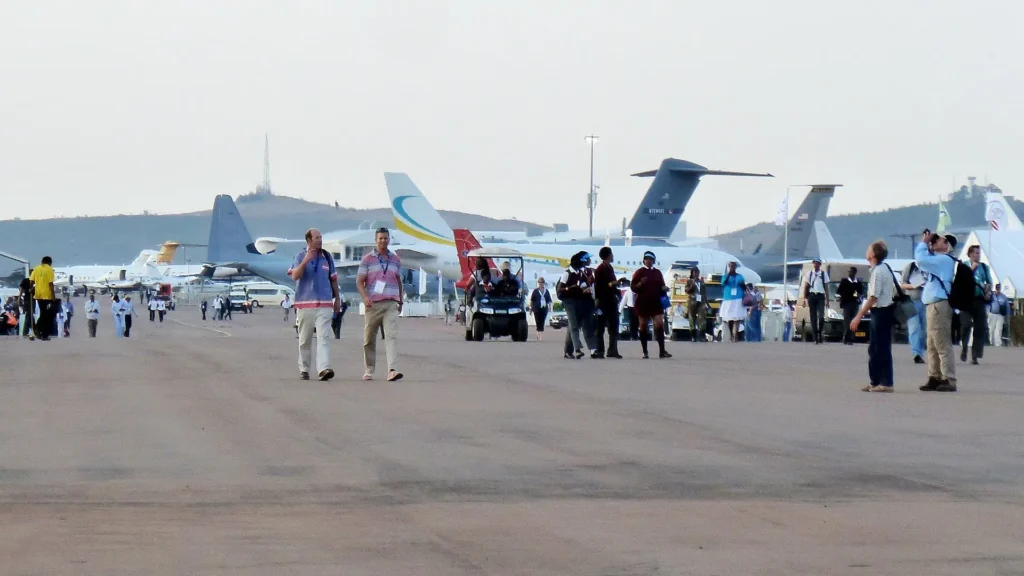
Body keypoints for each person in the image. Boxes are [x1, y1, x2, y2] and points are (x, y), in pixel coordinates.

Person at [290, 227, 341, 381]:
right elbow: (294, 276)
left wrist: (337, 298)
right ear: (309, 241)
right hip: (305, 303)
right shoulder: (299, 256)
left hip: (324, 303)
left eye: (320, 237)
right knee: (304, 339)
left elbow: (333, 278)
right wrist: (306, 260)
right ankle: (304, 368)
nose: (320, 240)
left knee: (324, 337)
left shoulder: (327, 257)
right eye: (317, 238)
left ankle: (324, 368)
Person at [357, 227, 404, 382]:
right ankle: (369, 369)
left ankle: (392, 369)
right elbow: (359, 281)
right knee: (369, 338)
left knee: (391, 336)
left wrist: (400, 299)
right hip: (373, 304)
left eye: (386, 238)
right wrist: (365, 297)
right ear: (375, 240)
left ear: (389, 239)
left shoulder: (395, 259)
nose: (383, 241)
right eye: (380, 238)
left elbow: (398, 280)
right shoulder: (367, 260)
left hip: (390, 303)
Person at [915, 232, 958, 392]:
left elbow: (921, 260)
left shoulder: (945, 260)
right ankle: (935, 376)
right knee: (932, 344)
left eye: (940, 240)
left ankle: (949, 378)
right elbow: (924, 263)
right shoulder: (938, 261)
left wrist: (923, 243)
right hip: (933, 304)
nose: (936, 241)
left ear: (947, 245)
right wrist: (929, 247)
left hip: (939, 305)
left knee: (942, 343)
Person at [851, 241, 896, 392]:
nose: (866, 251)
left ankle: (886, 382)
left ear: (873, 254)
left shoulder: (878, 271)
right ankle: (875, 380)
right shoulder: (879, 269)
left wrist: (858, 316)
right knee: (874, 348)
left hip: (882, 311)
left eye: (869, 249)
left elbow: (873, 298)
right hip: (879, 312)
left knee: (881, 347)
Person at [629, 251, 672, 359]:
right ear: (644, 260)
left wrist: (664, 288)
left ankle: (662, 351)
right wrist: (640, 284)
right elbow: (633, 287)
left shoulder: (657, 272)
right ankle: (645, 351)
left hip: (655, 302)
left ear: (653, 261)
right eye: (646, 259)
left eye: (650, 259)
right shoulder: (639, 272)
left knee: (659, 324)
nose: (648, 261)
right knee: (643, 325)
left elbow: (661, 285)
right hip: (643, 302)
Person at [557, 251, 596, 359]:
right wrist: (569, 288)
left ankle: (568, 351)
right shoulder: (567, 273)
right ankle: (578, 349)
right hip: (569, 302)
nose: (589, 261)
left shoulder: (582, 272)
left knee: (572, 327)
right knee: (574, 326)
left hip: (578, 302)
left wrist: (585, 289)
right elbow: (560, 289)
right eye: (587, 259)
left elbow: (582, 286)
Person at [959, 245, 991, 365]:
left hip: (979, 299)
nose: (978, 255)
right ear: (970, 254)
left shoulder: (984, 267)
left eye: (979, 253)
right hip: (966, 299)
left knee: (980, 327)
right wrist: (972, 269)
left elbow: (989, 282)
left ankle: (975, 354)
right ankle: (964, 347)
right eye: (976, 253)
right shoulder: (964, 266)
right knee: (966, 325)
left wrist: (987, 291)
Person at [593, 246, 623, 359]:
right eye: (611, 254)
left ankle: (612, 350)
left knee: (613, 327)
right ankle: (600, 350)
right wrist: (612, 284)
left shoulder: (610, 268)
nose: (613, 256)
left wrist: (616, 290)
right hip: (602, 301)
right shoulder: (600, 270)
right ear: (608, 256)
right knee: (600, 328)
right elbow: (599, 288)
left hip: (611, 301)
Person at [900, 259, 928, 364]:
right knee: (914, 328)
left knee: (924, 330)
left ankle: (920, 351)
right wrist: (913, 286)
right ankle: (916, 353)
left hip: (925, 302)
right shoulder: (910, 267)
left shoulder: (929, 268)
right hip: (912, 301)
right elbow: (902, 284)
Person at [801, 258, 830, 344]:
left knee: (821, 316)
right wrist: (803, 299)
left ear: (820, 264)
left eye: (817, 263)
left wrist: (827, 300)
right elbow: (805, 287)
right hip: (812, 295)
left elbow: (826, 288)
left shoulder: (824, 274)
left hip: (820, 296)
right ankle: (815, 337)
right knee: (813, 316)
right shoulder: (809, 274)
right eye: (814, 263)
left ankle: (820, 332)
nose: (815, 265)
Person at [29, 256, 56, 341]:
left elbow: (31, 280)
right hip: (47, 295)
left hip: (38, 295)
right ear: (49, 263)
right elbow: (51, 284)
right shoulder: (50, 269)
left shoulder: (36, 269)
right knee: (48, 315)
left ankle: (42, 333)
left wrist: (31, 288)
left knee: (43, 313)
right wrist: (53, 295)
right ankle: (39, 330)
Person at [719, 261, 747, 342]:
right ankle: (731, 333)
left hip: (738, 298)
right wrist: (728, 275)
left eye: (733, 266)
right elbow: (723, 283)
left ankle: (735, 335)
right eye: (730, 266)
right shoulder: (725, 276)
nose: (732, 268)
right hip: (728, 299)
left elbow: (744, 287)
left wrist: (742, 285)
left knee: (737, 318)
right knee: (730, 318)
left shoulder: (740, 276)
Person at [836, 266, 861, 345]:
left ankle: (850, 338)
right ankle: (845, 337)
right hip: (846, 303)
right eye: (849, 272)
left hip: (854, 303)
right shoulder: (844, 281)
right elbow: (839, 292)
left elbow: (860, 292)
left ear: (855, 273)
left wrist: (857, 295)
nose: (850, 273)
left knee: (853, 321)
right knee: (847, 321)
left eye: (852, 272)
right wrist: (840, 298)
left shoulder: (858, 283)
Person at [685, 267, 708, 342]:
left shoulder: (701, 282)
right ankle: (693, 336)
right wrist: (692, 285)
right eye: (694, 272)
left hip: (701, 302)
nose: (696, 274)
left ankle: (702, 336)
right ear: (692, 273)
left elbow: (704, 293)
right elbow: (687, 291)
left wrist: (706, 303)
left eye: (697, 272)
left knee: (702, 318)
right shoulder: (689, 281)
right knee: (692, 318)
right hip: (692, 302)